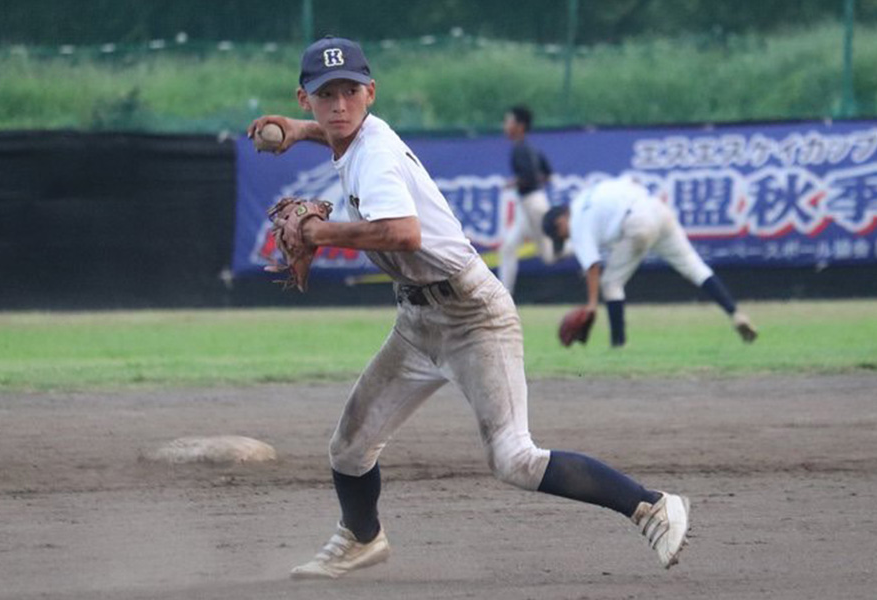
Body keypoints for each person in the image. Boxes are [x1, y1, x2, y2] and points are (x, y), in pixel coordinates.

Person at [248, 36, 691, 581]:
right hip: (418, 322)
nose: (339, 104)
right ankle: (360, 538)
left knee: (514, 459)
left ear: (371, 93)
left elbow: (404, 235)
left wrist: (319, 232)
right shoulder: (356, 134)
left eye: (350, 91)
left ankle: (650, 505)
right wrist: (301, 134)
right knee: (349, 446)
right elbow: (338, 133)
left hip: (472, 317)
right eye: (325, 95)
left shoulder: (377, 155)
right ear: (303, 99)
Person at [542, 176, 758, 347]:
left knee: (610, 284)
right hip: (656, 209)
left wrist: (591, 305)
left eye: (561, 234)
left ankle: (619, 345)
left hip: (637, 223)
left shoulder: (577, 223)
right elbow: (633, 181)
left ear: (561, 220)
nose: (565, 237)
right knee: (694, 266)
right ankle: (736, 314)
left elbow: (592, 266)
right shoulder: (587, 195)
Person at [498, 105, 558, 295]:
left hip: (534, 205)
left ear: (520, 126)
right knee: (508, 247)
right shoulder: (529, 148)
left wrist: (514, 182)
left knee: (550, 255)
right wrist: (521, 181)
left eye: (509, 122)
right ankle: (503, 296)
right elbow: (547, 174)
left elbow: (531, 176)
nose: (505, 126)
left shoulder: (521, 149)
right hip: (526, 205)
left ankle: (584, 245)